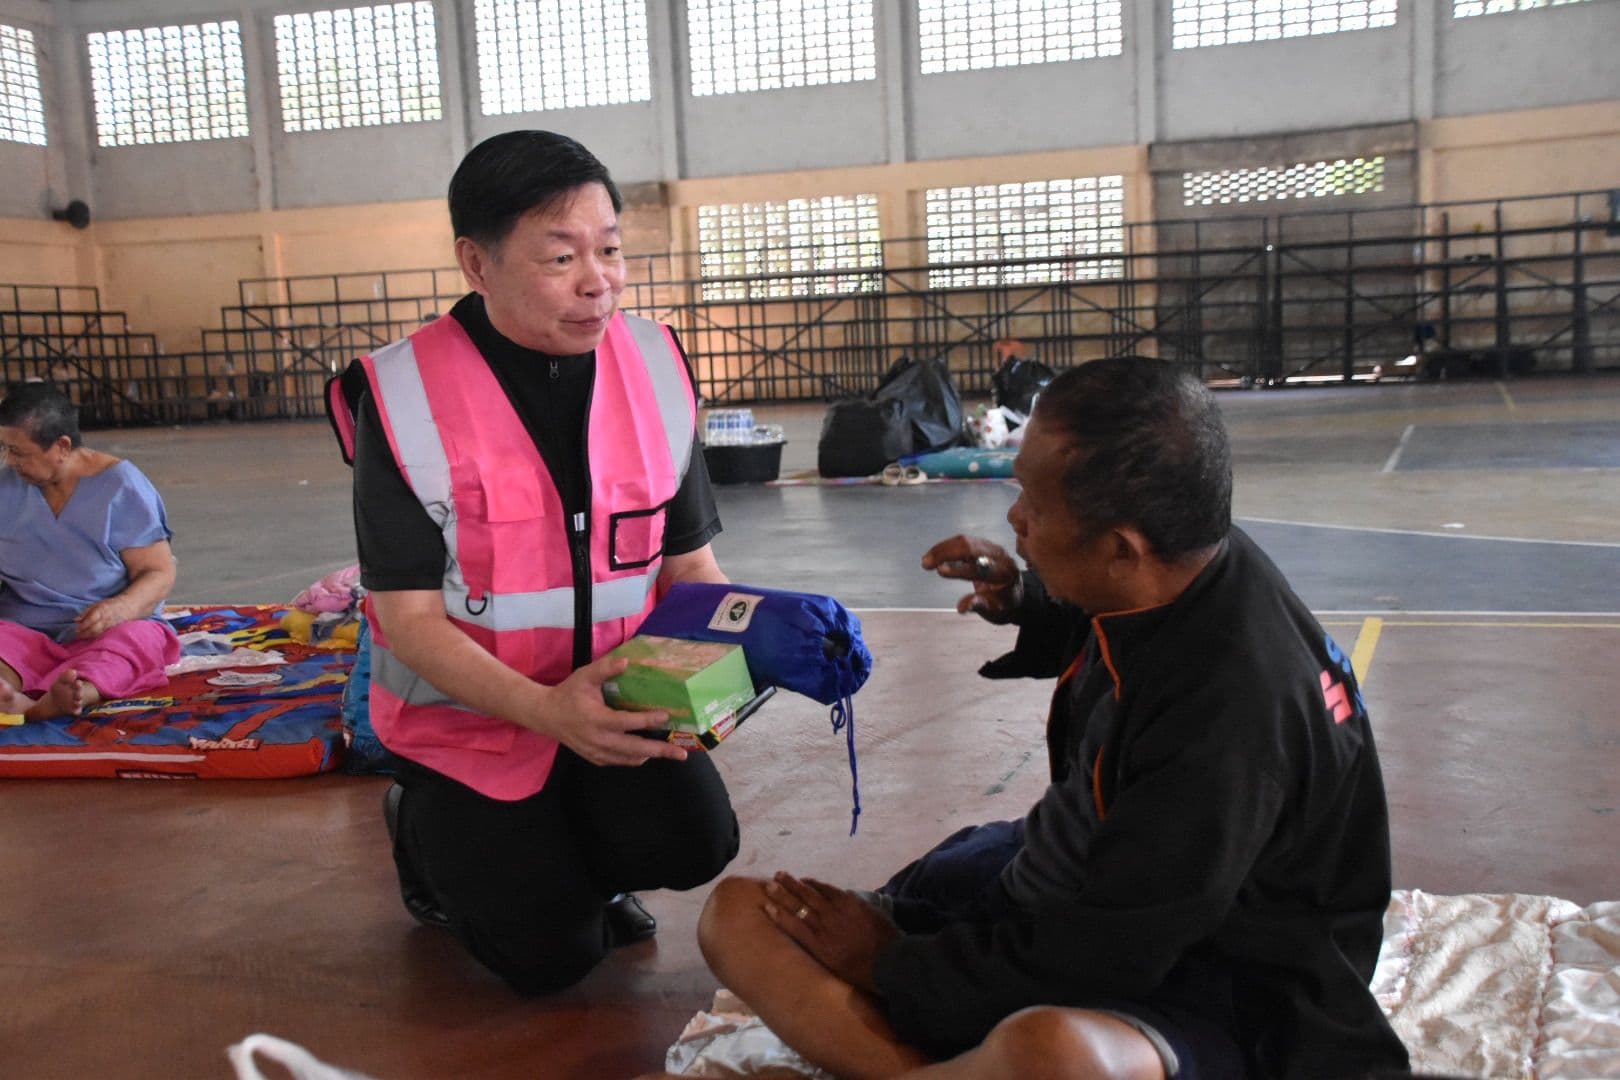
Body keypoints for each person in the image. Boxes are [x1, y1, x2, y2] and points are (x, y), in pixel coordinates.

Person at [696, 358, 1410, 1078]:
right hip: (1054, 894)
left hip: (1218, 977)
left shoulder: (1229, 720)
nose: (1016, 518)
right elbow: (1122, 638)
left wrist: (889, 964)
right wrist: (1025, 601)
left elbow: (1110, 955)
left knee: (1056, 1056)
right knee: (739, 917)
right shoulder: (1185, 565)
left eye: (1034, 501)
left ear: (1121, 550)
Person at [333, 130, 739, 995]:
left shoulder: (658, 369)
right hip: (471, 724)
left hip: (615, 701)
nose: (599, 281)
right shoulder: (401, 399)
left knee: (698, 845)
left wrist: (709, 680)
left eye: (611, 250)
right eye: (561, 258)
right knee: (549, 962)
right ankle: (419, 828)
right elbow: (405, 622)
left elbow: (693, 568)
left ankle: (584, 862)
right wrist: (549, 712)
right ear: (476, 264)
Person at [0, 383, 179, 721]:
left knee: (136, 642)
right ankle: (17, 700)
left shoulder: (120, 487)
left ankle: (73, 693)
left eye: (19, 452)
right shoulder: (6, 489)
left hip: (104, 628)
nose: (11, 461)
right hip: (25, 627)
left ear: (61, 446)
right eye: (5, 449)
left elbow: (158, 572)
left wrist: (120, 608)